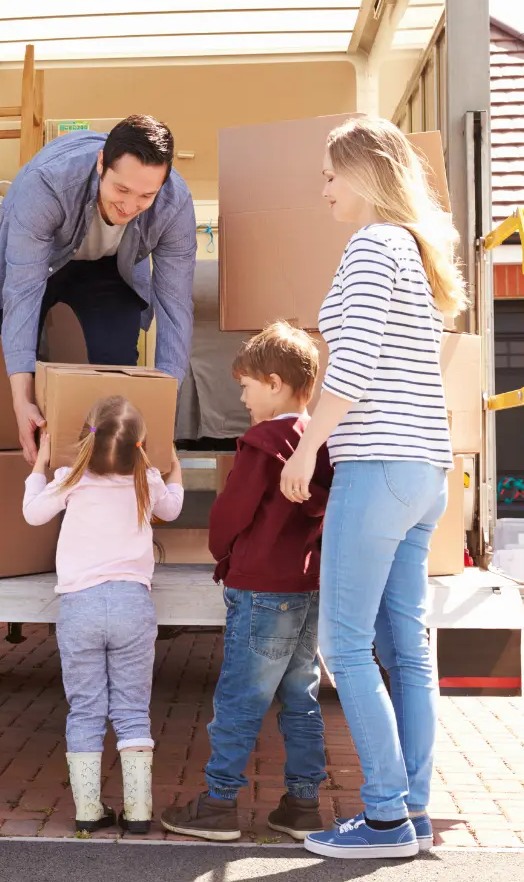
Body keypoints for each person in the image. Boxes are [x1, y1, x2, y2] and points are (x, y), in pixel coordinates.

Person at [279, 117, 467, 860]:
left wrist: (307, 449)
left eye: (330, 175)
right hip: (424, 474)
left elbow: (350, 367)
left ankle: (384, 817)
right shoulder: (414, 253)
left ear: (362, 172)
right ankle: (411, 812)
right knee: (406, 650)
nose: (323, 189)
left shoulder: (370, 247)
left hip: (379, 467)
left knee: (344, 644)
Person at [160, 322, 333, 842]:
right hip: (305, 587)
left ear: (275, 384)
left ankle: (217, 804)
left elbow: (230, 513)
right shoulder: (319, 442)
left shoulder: (262, 442)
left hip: (260, 589)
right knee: (301, 697)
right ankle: (303, 805)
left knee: (239, 697)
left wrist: (223, 554)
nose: (241, 396)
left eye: (246, 386)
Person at [0, 116, 198, 462]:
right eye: (121, 190)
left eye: (145, 196)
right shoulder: (47, 185)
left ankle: (105, 480)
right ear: (101, 164)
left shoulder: (175, 203)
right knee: (6, 376)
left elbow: (175, 306)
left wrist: (162, 411)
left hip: (110, 268)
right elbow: (22, 291)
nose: (129, 207)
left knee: (117, 363)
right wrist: (22, 400)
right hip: (40, 261)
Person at [22, 396, 184, 834]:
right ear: (142, 444)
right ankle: (138, 811)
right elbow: (173, 509)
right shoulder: (146, 481)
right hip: (133, 605)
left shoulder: (70, 479)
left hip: (81, 607)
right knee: (133, 709)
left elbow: (33, 514)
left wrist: (39, 464)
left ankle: (89, 811)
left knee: (86, 710)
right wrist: (175, 469)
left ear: (85, 439)